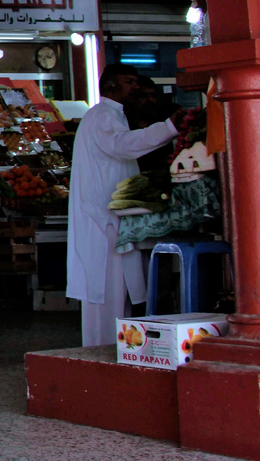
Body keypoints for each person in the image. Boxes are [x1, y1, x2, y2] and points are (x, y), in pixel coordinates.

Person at [68, 63, 179, 347]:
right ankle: (101, 351)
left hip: (110, 217)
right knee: (105, 291)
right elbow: (123, 146)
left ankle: (118, 348)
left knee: (119, 292)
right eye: (130, 82)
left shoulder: (113, 116)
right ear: (111, 86)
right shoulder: (102, 115)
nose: (136, 87)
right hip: (100, 219)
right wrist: (169, 128)